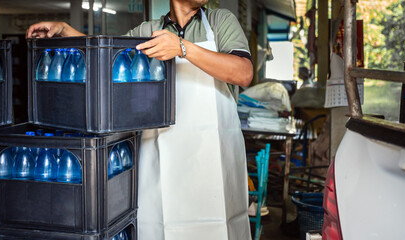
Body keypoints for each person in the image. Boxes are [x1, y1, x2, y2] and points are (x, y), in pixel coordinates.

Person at [26, 1, 253, 240]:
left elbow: (244, 73)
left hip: (210, 160)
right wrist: (64, 30)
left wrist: (182, 48)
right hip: (162, 160)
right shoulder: (149, 30)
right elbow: (106, 53)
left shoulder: (220, 21)